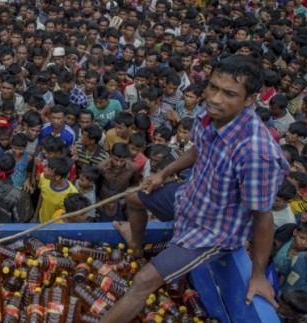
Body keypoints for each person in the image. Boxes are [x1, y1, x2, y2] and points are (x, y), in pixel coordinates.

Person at [102, 55, 289, 323]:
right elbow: (198, 149)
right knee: (133, 197)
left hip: (214, 230)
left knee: (143, 281)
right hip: (190, 197)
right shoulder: (208, 112)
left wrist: (258, 275)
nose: (215, 98)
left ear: (249, 99)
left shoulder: (257, 152)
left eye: (229, 93)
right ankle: (136, 243)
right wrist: (163, 173)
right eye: (212, 87)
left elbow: (263, 217)